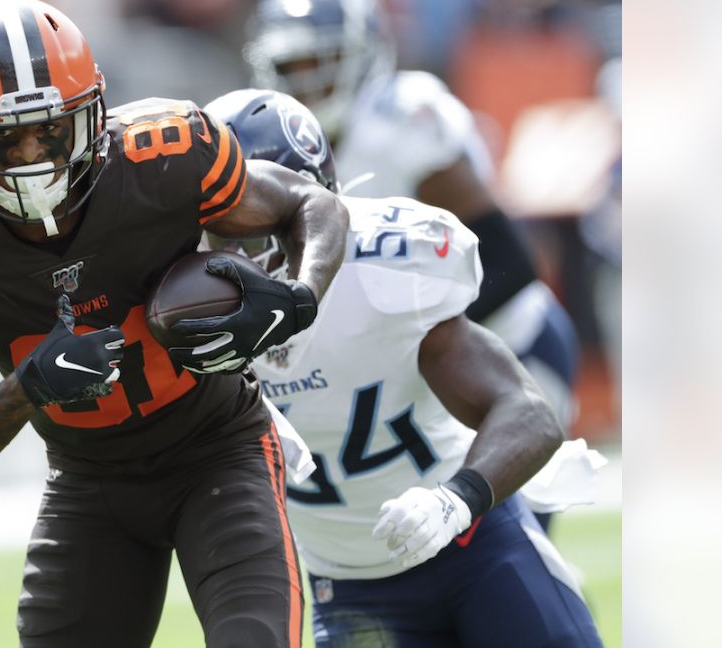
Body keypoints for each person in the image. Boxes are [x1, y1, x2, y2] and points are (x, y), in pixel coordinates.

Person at [0, 0, 349, 648]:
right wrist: (25, 388)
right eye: (2, 139)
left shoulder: (167, 152)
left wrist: (299, 295)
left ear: (94, 112)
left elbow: (310, 204)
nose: (31, 156)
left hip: (219, 450)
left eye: (52, 130)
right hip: (88, 485)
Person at [204, 88, 603, 647]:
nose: (239, 249)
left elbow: (527, 411)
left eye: (258, 216)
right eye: (220, 221)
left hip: (474, 549)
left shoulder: (385, 273)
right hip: (347, 589)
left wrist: (456, 498)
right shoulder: (183, 309)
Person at [242, 0, 582, 515]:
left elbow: (508, 263)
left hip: (505, 343)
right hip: (422, 357)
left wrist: (400, 334)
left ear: (364, 55)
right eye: (290, 65)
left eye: (320, 61)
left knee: (501, 534)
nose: (305, 80)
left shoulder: (404, 120)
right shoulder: (269, 135)